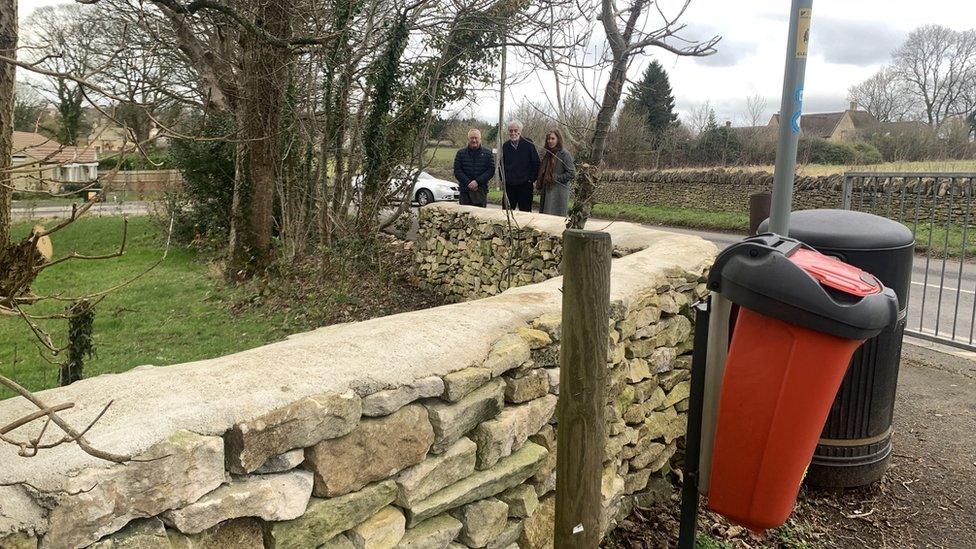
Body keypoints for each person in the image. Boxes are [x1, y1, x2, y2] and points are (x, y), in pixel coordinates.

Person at [501, 120, 540, 212]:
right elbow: (501, 164)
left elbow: (536, 162)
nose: (513, 133)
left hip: (525, 185)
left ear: (520, 131)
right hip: (509, 186)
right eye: (511, 131)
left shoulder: (528, 143)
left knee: (525, 213)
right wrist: (503, 179)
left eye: (515, 130)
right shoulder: (505, 146)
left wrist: (531, 179)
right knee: (506, 212)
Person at [537, 130, 576, 216]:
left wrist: (555, 177)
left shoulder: (564, 154)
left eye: (552, 138)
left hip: (558, 193)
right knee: (545, 219)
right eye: (548, 139)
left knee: (555, 221)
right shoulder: (548, 154)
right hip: (547, 190)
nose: (550, 141)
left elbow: (572, 173)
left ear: (558, 139)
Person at [453, 128, 494, 207]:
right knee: (464, 217)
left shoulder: (488, 153)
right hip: (465, 192)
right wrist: (468, 182)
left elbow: (490, 171)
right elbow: (457, 171)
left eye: (476, 138)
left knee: (480, 217)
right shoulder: (460, 153)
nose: (474, 140)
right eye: (472, 138)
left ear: (480, 139)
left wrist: (477, 182)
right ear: (468, 139)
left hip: (481, 191)